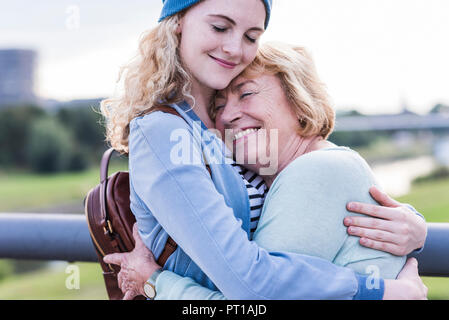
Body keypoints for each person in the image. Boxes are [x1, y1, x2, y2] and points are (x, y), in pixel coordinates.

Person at [101, 0, 427, 300]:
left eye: (251, 36)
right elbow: (251, 285)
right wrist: (377, 290)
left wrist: (414, 224)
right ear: (178, 22)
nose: (234, 49)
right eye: (220, 27)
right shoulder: (165, 131)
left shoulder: (213, 134)